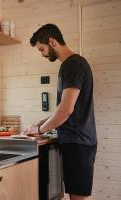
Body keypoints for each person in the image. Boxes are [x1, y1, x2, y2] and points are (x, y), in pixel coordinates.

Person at [27, 24, 97, 200]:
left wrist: (39, 130)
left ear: (52, 42)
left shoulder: (72, 65)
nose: (42, 54)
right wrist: (42, 122)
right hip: (78, 142)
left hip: (78, 142)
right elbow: (64, 108)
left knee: (77, 197)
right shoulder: (72, 65)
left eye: (42, 49)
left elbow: (65, 111)